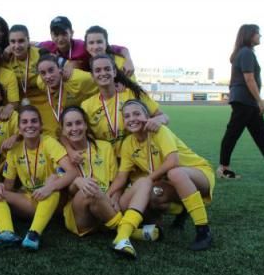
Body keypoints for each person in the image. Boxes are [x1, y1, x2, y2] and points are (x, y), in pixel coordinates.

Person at [111, 99, 214, 253]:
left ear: (147, 117)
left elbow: (173, 162)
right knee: (153, 195)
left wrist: (149, 179)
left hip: (197, 173)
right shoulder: (127, 144)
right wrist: (109, 194)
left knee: (174, 173)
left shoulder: (159, 131)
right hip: (171, 182)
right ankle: (182, 209)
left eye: (137, 114)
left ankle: (203, 231)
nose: (132, 118)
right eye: (127, 116)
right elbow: (121, 177)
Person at [59, 106, 159, 245]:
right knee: (89, 189)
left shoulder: (104, 147)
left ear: (86, 125)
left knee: (144, 182)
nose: (75, 128)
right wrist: (77, 182)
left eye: (78, 123)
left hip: (109, 203)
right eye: (69, 125)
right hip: (83, 215)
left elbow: (115, 181)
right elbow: (64, 190)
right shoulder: (60, 154)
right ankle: (129, 231)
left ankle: (121, 233)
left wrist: (116, 197)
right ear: (63, 130)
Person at [0, 106, 78, 251]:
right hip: (30, 200)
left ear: (41, 125)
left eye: (34, 121)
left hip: (53, 201)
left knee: (53, 181)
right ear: (19, 128)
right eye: (25, 122)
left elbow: (73, 172)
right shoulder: (14, 151)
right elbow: (8, 187)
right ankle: (7, 233)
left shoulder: (49, 142)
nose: (30, 125)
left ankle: (33, 234)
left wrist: (50, 187)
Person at [218, 24, 264, 179]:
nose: (260, 36)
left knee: (260, 133)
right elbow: (249, 79)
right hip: (244, 100)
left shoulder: (246, 52)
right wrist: (260, 101)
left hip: (247, 101)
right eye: (258, 33)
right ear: (249, 35)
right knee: (233, 133)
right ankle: (223, 168)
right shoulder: (246, 53)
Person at [81, 54, 168, 154]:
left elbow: (163, 116)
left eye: (107, 69)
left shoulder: (133, 93)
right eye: (98, 70)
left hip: (138, 156)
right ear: (92, 76)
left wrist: (158, 120)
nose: (103, 73)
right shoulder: (86, 105)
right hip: (108, 160)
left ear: (114, 72)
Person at [39, 16, 132, 72]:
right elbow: (32, 43)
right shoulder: (48, 45)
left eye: (64, 34)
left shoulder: (84, 46)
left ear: (71, 33)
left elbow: (119, 49)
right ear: (51, 35)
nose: (60, 38)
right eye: (56, 34)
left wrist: (128, 60)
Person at [35, 53, 97, 136]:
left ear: (60, 69)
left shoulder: (79, 79)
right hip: (66, 123)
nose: (48, 76)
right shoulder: (40, 82)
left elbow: (102, 77)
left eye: (51, 70)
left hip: (86, 123)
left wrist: (119, 84)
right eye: (43, 73)